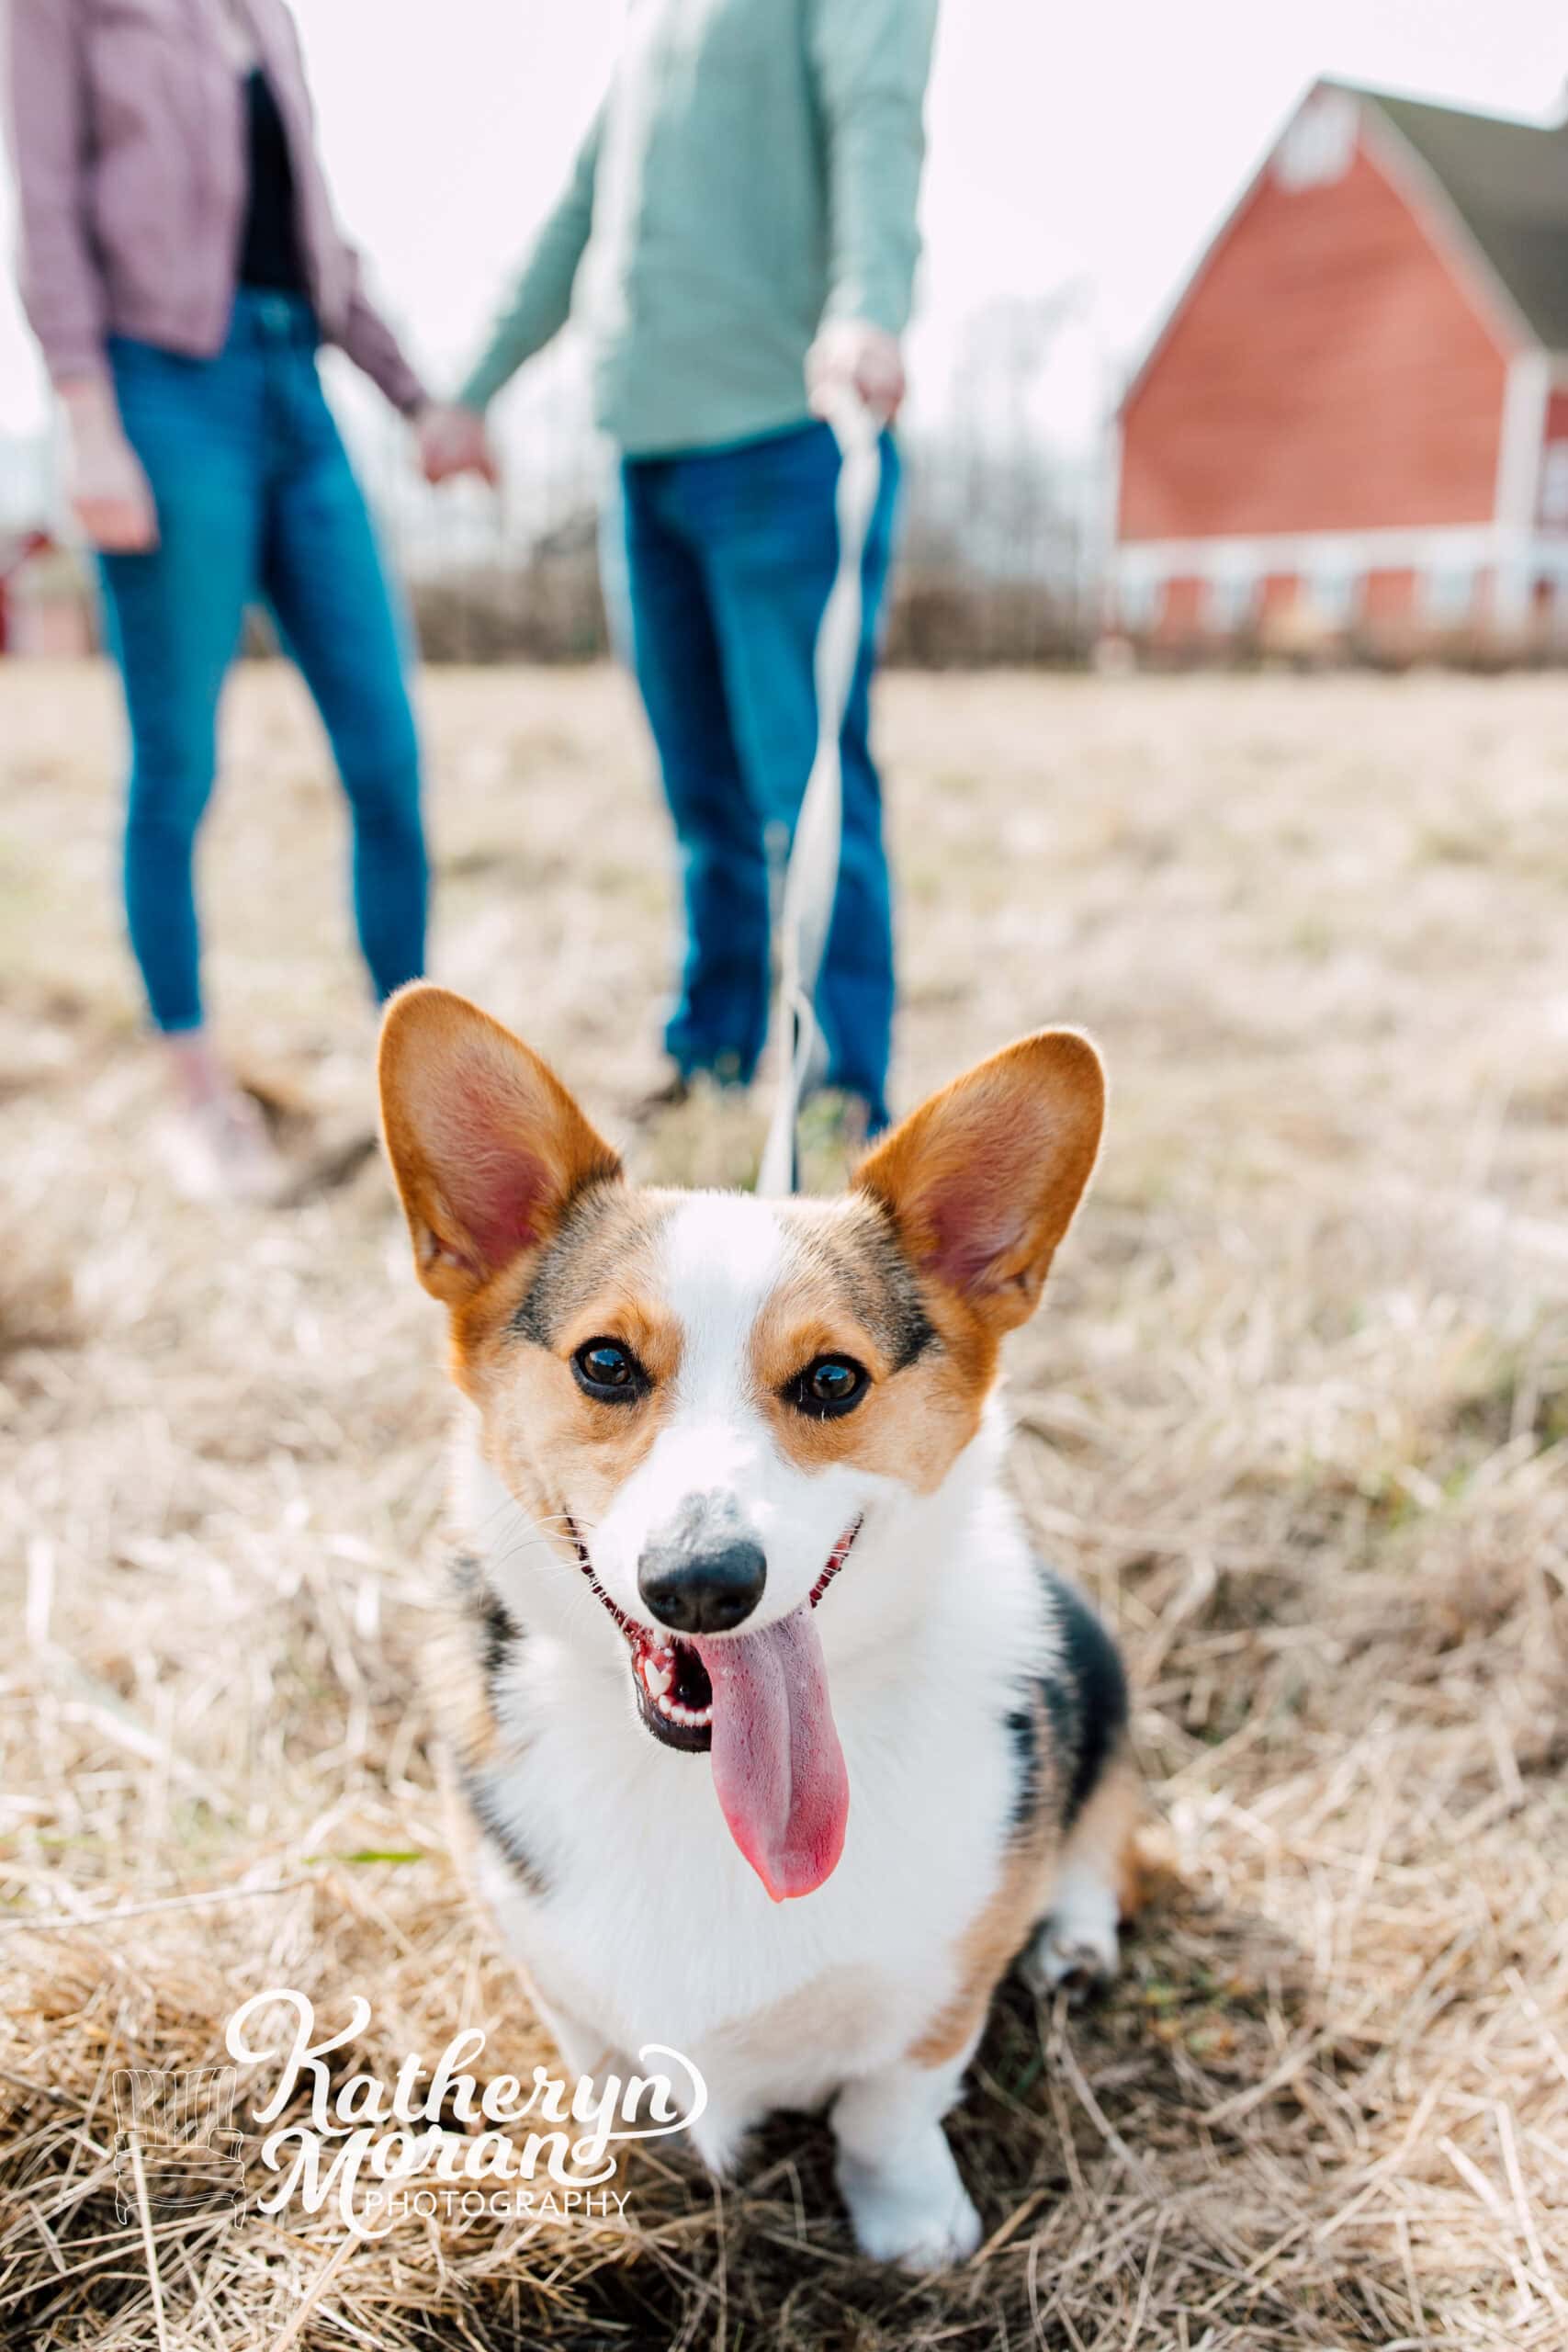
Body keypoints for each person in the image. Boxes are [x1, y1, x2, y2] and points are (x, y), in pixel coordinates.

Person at [422, 0, 939, 1140]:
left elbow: (878, 119)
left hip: (782, 434)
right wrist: (474, 389)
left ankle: (840, 1090)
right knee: (699, 789)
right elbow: (581, 211)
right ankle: (711, 1044)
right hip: (640, 450)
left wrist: (869, 306)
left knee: (805, 789)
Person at [4, 0, 486, 1196]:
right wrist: (87, 417)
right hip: (164, 389)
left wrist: (415, 397)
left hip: (297, 390)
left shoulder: (261, 14)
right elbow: (47, 204)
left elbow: (318, 239)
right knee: (177, 767)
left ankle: (419, 1096)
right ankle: (199, 1097)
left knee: (385, 751)